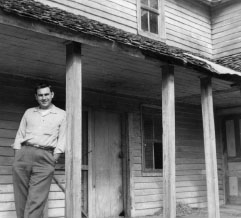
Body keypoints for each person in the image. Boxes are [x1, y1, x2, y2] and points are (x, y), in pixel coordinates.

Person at [12, 83, 66, 218]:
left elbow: (63, 139)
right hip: (24, 153)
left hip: (46, 156)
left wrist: (54, 158)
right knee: (21, 198)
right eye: (40, 95)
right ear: (36, 97)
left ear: (52, 95)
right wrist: (18, 155)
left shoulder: (62, 114)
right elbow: (20, 135)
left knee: (37, 199)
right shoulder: (29, 112)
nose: (44, 98)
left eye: (46, 94)